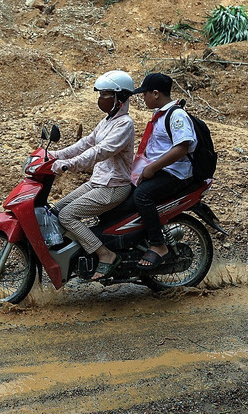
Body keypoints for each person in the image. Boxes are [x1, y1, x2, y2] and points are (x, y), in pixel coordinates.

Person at [48, 70, 136, 281]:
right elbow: (86, 143)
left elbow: (100, 151)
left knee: (67, 216)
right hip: (97, 182)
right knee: (55, 212)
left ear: (120, 97)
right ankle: (77, 254)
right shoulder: (107, 121)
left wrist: (69, 164)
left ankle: (105, 254)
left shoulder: (125, 124)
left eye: (105, 94)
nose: (101, 99)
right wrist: (54, 155)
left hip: (113, 187)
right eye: (100, 94)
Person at [130, 72, 197, 272]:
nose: (143, 97)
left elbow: (182, 148)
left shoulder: (176, 115)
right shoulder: (160, 115)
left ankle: (158, 245)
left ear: (156, 93)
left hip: (175, 173)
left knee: (142, 195)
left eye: (145, 93)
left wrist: (152, 168)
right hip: (161, 169)